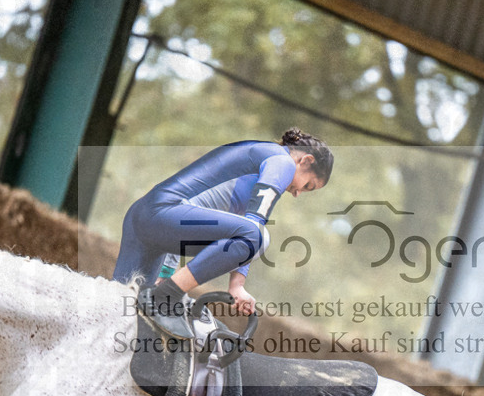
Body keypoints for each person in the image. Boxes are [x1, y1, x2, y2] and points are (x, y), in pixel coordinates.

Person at [112, 128, 333, 338]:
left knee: (118, 315)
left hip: (144, 218)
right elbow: (253, 231)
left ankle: (164, 294)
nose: (298, 193)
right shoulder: (282, 161)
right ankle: (167, 296)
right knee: (260, 237)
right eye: (308, 186)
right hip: (162, 215)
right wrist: (167, 287)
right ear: (306, 160)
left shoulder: (261, 158)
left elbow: (247, 226)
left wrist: (236, 286)